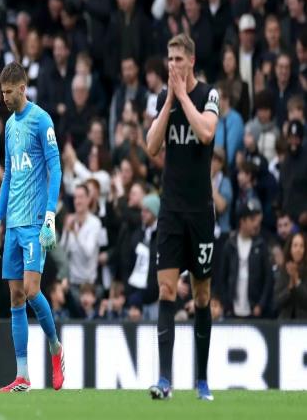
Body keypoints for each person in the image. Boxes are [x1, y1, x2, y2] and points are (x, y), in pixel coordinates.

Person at [146, 34, 219, 401]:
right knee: (166, 289)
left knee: (202, 295)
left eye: (178, 59)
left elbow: (206, 133)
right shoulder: (165, 98)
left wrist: (183, 97)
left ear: (191, 61)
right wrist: (170, 100)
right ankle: (164, 379)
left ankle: (202, 380)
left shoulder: (209, 94)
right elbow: (151, 146)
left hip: (201, 211)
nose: (172, 65)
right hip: (171, 210)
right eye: (169, 58)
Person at [0, 62, 65, 393]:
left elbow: (56, 169)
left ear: (22, 88)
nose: (4, 98)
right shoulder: (9, 126)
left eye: (9, 92)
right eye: (2, 92)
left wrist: (50, 216)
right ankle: (23, 375)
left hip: (34, 222)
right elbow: (8, 174)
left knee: (33, 290)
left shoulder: (41, 120)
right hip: (14, 225)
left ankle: (55, 348)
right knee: (16, 296)